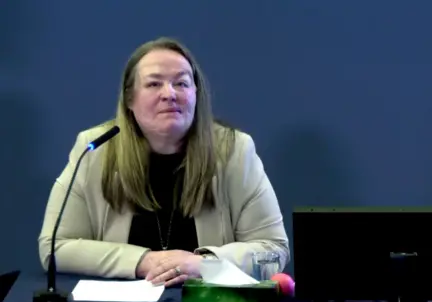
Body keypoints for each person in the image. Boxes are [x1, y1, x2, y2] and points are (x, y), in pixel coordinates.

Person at [37, 37, 289, 287]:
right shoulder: (95, 149)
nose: (169, 94)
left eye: (181, 83)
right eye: (154, 84)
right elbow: (54, 247)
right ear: (129, 99)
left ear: (196, 94)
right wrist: (145, 261)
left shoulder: (234, 150)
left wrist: (202, 264)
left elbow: (273, 249)